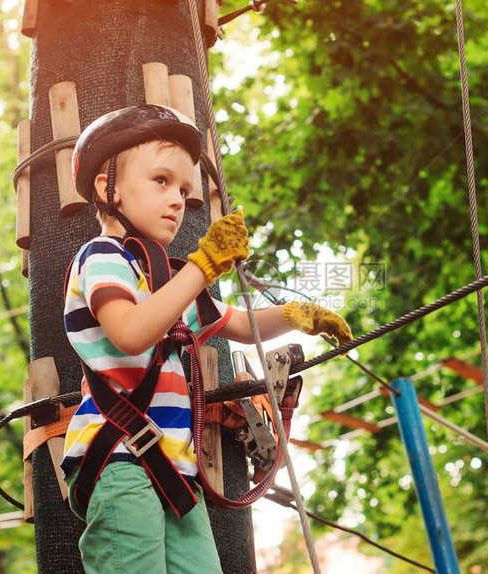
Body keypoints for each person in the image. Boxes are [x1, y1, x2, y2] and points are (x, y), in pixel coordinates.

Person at [61, 104, 352, 574]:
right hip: (118, 460)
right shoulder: (103, 256)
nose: (178, 199)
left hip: (176, 470)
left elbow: (239, 324)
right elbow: (132, 332)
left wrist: (298, 315)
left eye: (183, 190)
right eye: (161, 181)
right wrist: (203, 265)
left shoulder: (168, 281)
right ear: (107, 186)